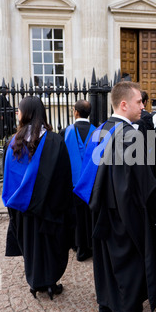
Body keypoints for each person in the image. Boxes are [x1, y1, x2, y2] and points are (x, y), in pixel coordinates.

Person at [74, 81, 156, 312]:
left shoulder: (100, 130)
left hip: (101, 209)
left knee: (106, 260)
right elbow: (144, 185)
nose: (143, 106)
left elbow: (88, 173)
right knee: (130, 263)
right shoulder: (130, 136)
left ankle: (106, 305)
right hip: (124, 213)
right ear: (124, 104)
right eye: (139, 101)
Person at [2, 96, 74, 300]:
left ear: (26, 113)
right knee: (49, 245)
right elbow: (63, 179)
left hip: (23, 209)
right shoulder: (54, 141)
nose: (16, 113)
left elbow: (11, 178)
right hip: (49, 209)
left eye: (19, 110)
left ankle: (34, 282)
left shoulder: (13, 142)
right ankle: (50, 282)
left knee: (30, 244)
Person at [60, 100, 96, 261]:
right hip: (92, 182)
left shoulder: (67, 132)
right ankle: (91, 245)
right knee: (90, 214)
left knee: (76, 215)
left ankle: (78, 246)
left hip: (73, 182)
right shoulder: (97, 132)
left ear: (76, 112)